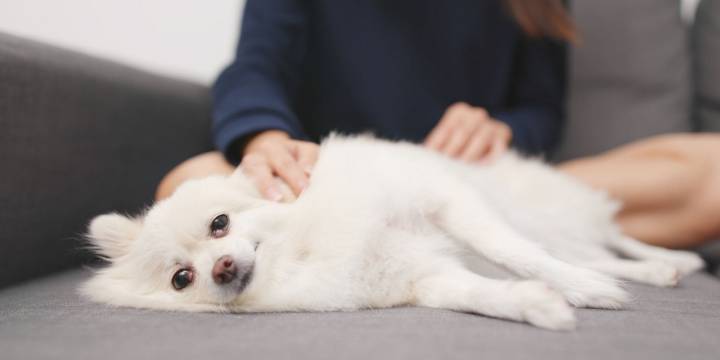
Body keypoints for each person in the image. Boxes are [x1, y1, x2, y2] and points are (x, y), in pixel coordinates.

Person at [156, 0, 720, 250]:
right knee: (185, 186)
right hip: (322, 190)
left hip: (485, 187)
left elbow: (541, 112)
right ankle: (434, 245)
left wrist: (501, 128)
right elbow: (253, 67)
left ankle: (439, 240)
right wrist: (267, 139)